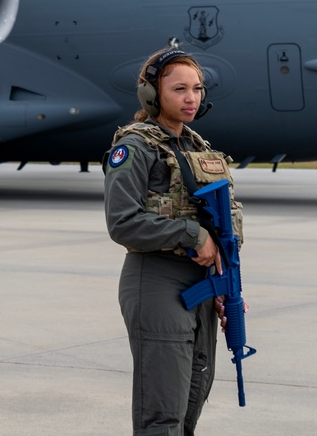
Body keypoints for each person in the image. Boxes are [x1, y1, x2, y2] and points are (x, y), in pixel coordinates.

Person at [103, 47, 245, 436]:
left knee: (190, 403)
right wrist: (191, 235)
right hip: (157, 280)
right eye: (179, 88)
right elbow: (122, 222)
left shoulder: (197, 148)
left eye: (197, 88)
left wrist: (225, 285)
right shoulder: (134, 147)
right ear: (152, 95)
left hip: (201, 283)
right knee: (162, 412)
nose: (191, 98)